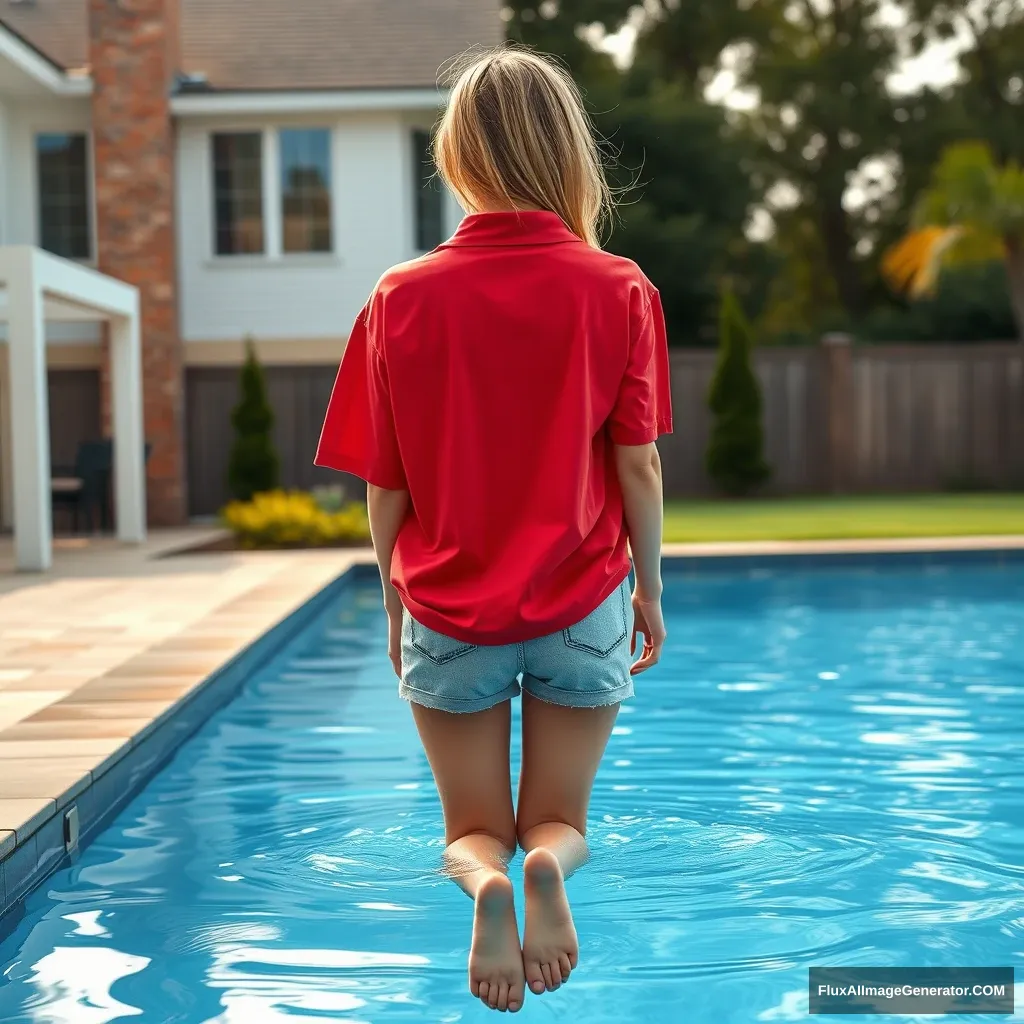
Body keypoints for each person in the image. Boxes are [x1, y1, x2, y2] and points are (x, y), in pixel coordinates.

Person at [315, 45, 671, 1014]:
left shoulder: (400, 296)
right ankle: (548, 864)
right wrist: (648, 587)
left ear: (458, 154)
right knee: (557, 816)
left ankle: (491, 885)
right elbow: (635, 464)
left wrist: (394, 599)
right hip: (582, 600)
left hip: (453, 608)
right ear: (567, 153)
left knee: (468, 830)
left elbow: (385, 487)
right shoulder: (619, 287)